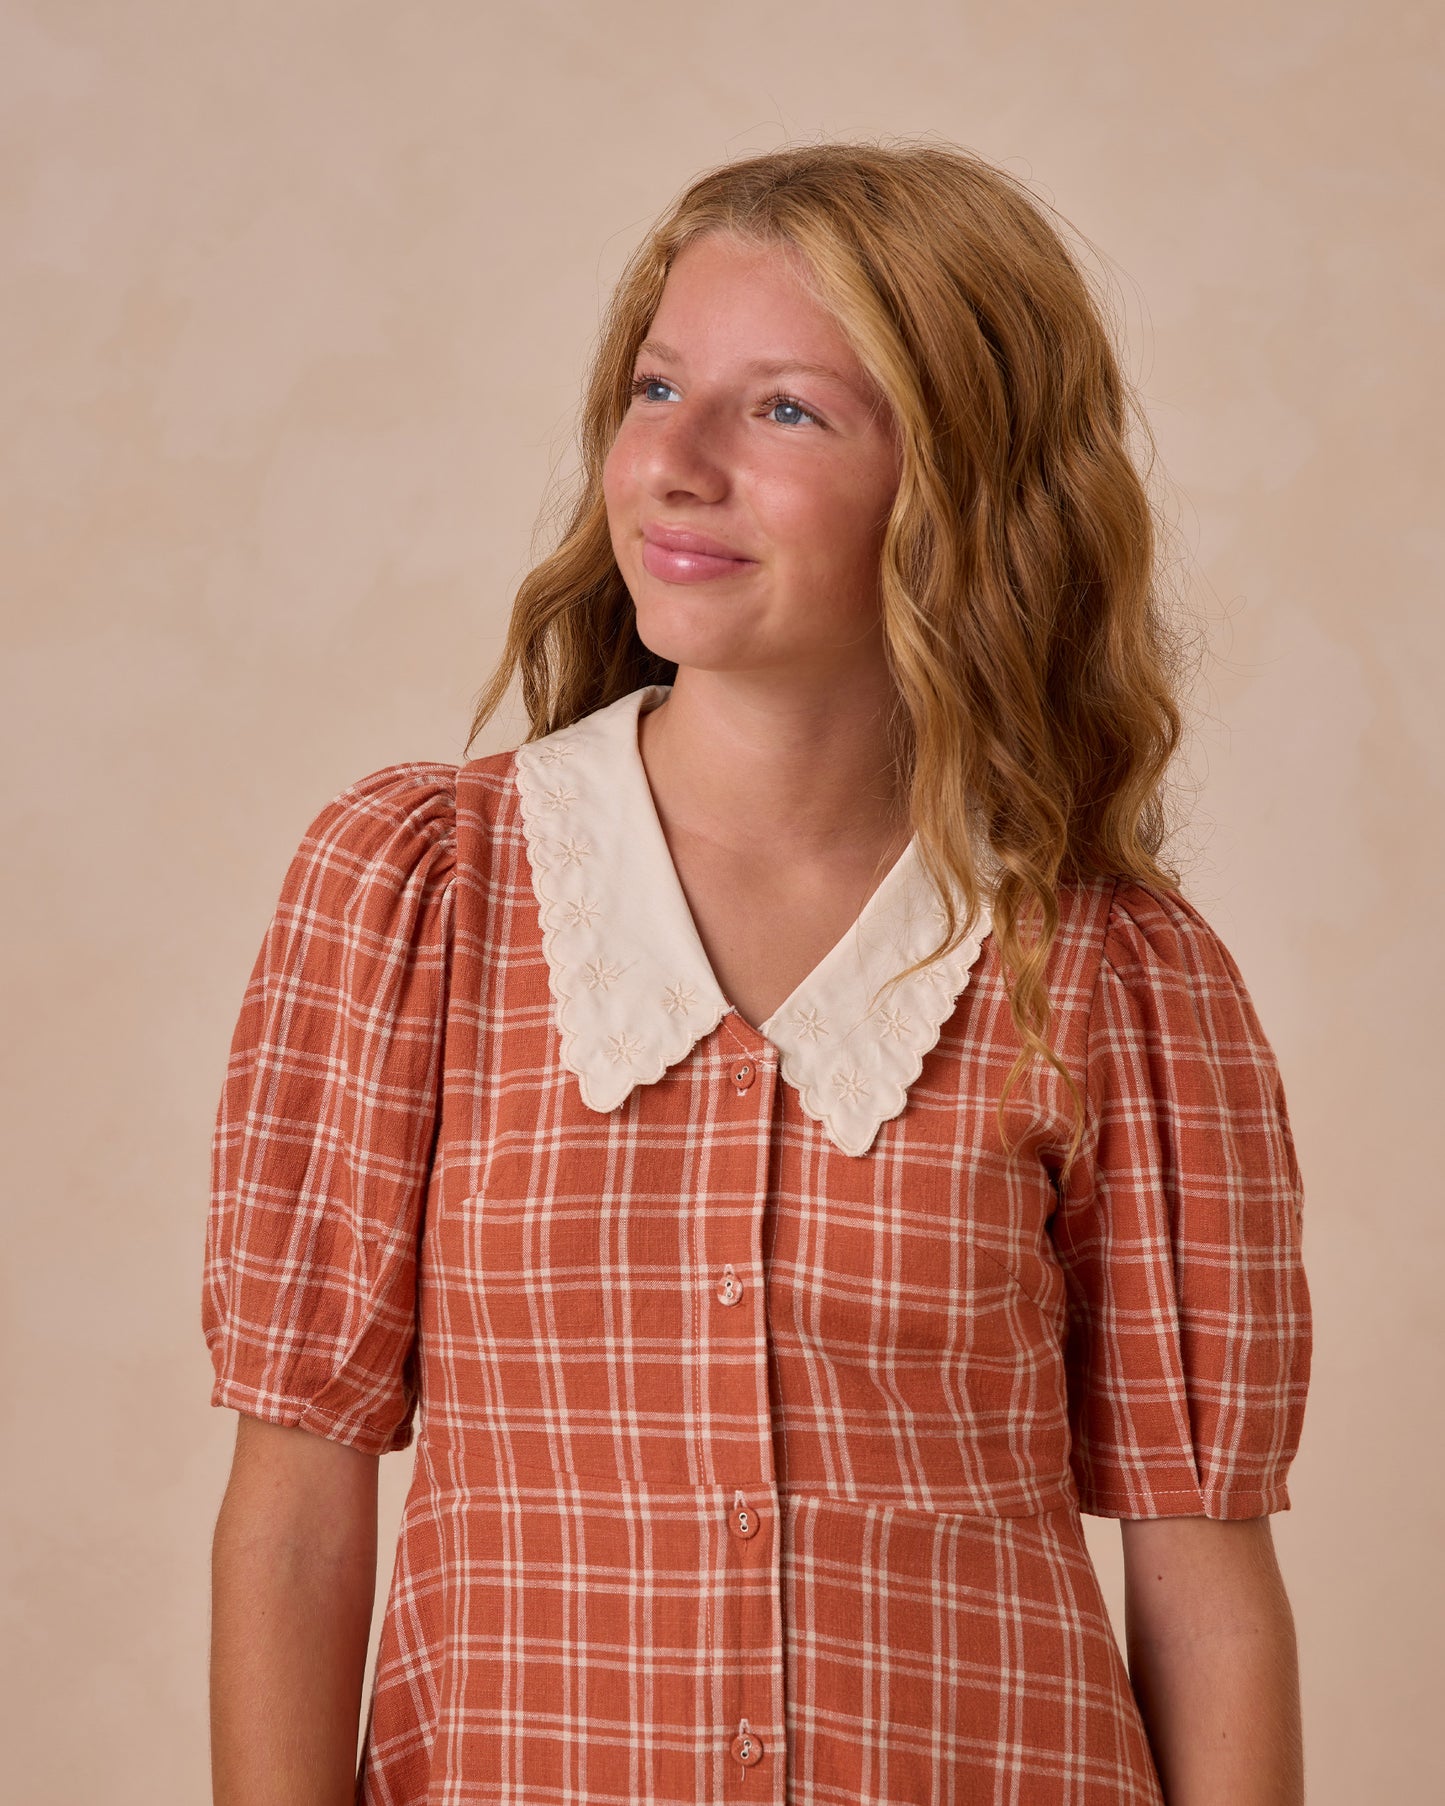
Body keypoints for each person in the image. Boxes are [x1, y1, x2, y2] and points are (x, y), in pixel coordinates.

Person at [203, 139, 1312, 1806]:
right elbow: (294, 1509)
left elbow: (1202, 1584)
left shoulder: (1111, 975)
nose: (673, 463)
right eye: (657, 389)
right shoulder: (420, 895)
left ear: (959, 487)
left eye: (784, 409)